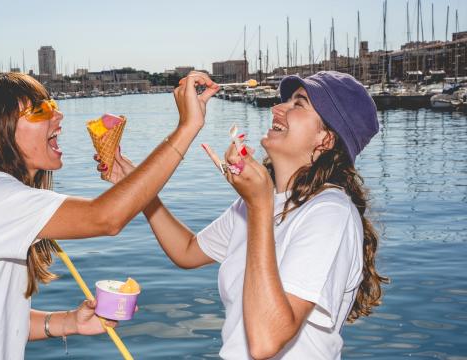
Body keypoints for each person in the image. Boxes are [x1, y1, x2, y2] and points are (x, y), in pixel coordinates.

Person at [0, 72, 219, 359]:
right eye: (41, 110)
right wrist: (187, 127)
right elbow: (105, 218)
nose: (59, 115)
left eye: (52, 104)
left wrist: (68, 322)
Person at [95, 71, 388, 359]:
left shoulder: (329, 213)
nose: (277, 107)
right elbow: (186, 252)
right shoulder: (261, 200)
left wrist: (259, 205)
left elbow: (266, 342)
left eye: (298, 104)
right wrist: (138, 188)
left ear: (325, 139)